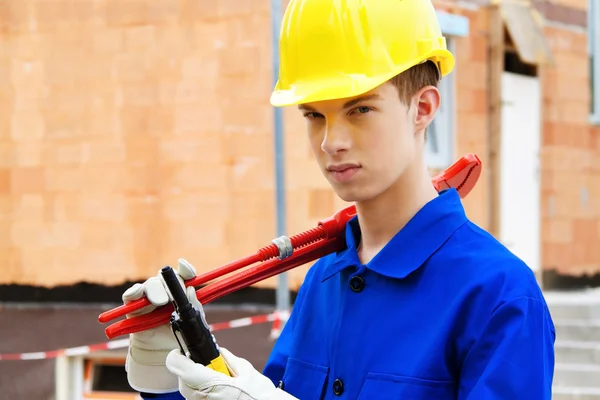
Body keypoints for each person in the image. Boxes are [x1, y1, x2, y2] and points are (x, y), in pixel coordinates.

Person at [123, 0, 556, 399]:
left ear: (422, 108)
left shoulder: (499, 297)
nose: (331, 142)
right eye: (314, 115)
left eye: (359, 110)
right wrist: (166, 375)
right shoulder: (324, 279)